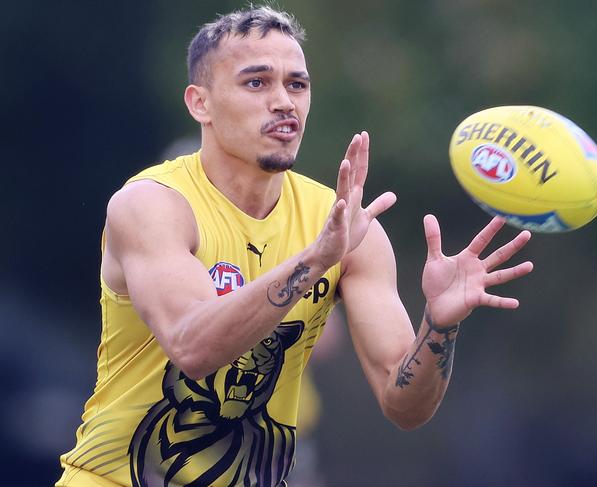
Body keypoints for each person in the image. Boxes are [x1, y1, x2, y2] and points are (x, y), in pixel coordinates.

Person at [57, 6, 533, 487]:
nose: (284, 101)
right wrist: (314, 261)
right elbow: (193, 347)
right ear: (200, 103)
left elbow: (404, 405)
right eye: (256, 82)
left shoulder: (346, 226)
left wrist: (439, 326)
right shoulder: (151, 205)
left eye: (297, 85)